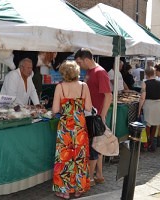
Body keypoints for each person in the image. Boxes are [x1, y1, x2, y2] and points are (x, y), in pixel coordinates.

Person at [52, 60, 92, 199]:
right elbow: (88, 108)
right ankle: (78, 188)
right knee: (79, 157)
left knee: (64, 157)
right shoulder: (84, 86)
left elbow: (55, 109)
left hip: (65, 126)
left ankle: (64, 191)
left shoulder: (60, 87)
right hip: (79, 125)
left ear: (63, 73)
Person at [74, 48, 112, 187]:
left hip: (96, 116)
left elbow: (108, 95)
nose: (78, 65)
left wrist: (102, 116)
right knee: (98, 146)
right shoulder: (90, 72)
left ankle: (90, 177)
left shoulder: (100, 72)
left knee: (94, 147)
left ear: (86, 59)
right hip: (91, 115)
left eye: (79, 62)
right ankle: (99, 175)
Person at [138, 67, 160, 152]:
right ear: (154, 73)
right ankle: (152, 142)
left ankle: (146, 143)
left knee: (147, 124)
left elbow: (142, 97)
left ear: (146, 74)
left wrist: (139, 108)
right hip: (157, 104)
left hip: (148, 104)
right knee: (155, 124)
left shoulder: (144, 83)